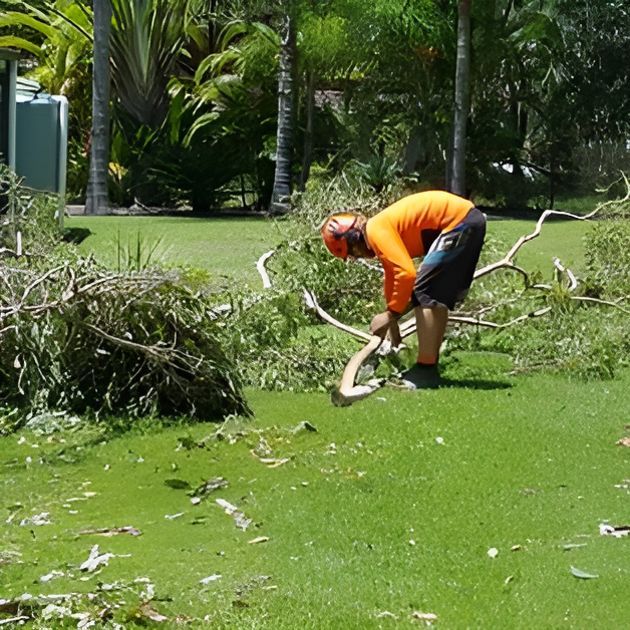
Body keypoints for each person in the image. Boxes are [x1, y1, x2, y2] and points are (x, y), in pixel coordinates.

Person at [320, 190, 486, 388]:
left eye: (353, 253)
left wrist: (390, 314)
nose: (358, 257)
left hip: (460, 222)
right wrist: (392, 323)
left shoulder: (376, 231)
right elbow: (392, 275)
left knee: (425, 291)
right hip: (465, 220)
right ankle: (428, 368)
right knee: (432, 293)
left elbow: (406, 274)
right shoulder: (377, 229)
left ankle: (426, 371)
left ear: (354, 238)